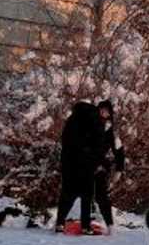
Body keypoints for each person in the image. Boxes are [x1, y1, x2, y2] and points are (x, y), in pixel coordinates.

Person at [53, 101, 102, 235]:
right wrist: (95, 161)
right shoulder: (95, 120)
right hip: (87, 165)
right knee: (87, 196)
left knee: (67, 194)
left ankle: (60, 223)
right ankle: (86, 226)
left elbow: (65, 142)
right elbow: (98, 144)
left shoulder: (72, 120)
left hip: (70, 164)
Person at [92, 100, 126, 234]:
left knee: (101, 196)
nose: (102, 112)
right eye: (101, 110)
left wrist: (119, 169)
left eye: (106, 111)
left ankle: (110, 225)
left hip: (100, 166)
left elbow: (119, 150)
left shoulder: (110, 130)